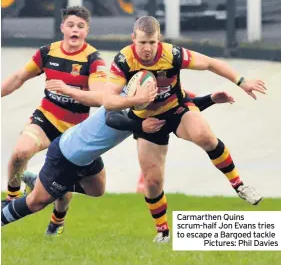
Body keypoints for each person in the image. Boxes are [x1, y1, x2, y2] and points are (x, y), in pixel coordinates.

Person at [103, 16, 266, 243]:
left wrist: (242, 81)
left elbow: (210, 63)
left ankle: (239, 185)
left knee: (204, 136)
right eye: (142, 43)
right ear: (133, 39)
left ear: (159, 39)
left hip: (177, 108)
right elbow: (108, 102)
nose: (147, 48)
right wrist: (138, 108)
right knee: (152, 182)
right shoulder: (124, 60)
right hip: (146, 121)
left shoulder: (173, 54)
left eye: (152, 42)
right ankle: (162, 231)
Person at [1, 84, 234, 228]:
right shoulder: (126, 92)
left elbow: (183, 108)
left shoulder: (161, 90)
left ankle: (42, 182)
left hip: (89, 157)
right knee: (37, 202)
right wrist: (142, 125)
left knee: (97, 190)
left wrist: (212, 98)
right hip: (68, 154)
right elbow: (113, 118)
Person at [1, 6, 108, 235]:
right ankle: (11, 198)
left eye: (80, 26)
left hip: (76, 131)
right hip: (46, 119)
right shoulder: (48, 52)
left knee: (89, 188)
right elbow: (19, 77)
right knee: (20, 153)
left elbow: (100, 98)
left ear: (86, 31)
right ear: (62, 28)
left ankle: (57, 221)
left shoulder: (94, 60)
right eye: (70, 25)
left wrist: (68, 90)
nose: (74, 30)